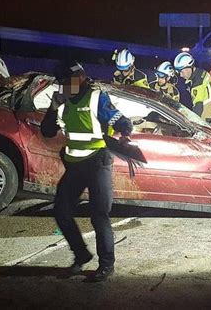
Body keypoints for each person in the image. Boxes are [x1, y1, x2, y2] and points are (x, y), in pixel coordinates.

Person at [41, 62, 133, 282]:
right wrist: (53, 107)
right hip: (75, 165)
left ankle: (106, 265)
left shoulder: (96, 98)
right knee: (61, 211)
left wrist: (125, 130)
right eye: (62, 82)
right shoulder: (62, 100)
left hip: (98, 163)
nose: (64, 86)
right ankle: (81, 254)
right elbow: (47, 131)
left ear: (81, 77)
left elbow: (119, 120)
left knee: (99, 214)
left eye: (68, 81)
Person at [173, 52, 211, 123]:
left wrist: (192, 122)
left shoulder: (197, 83)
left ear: (189, 67)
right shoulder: (202, 73)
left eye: (182, 72)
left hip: (206, 120)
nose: (181, 75)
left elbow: (198, 106)